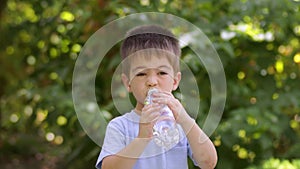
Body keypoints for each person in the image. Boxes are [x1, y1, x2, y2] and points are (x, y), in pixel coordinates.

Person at [95, 25, 217, 169]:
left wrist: (184, 119)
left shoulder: (182, 124)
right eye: (141, 74)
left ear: (175, 81)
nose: (152, 82)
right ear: (128, 83)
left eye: (162, 73)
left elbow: (208, 163)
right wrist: (142, 139)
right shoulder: (120, 126)